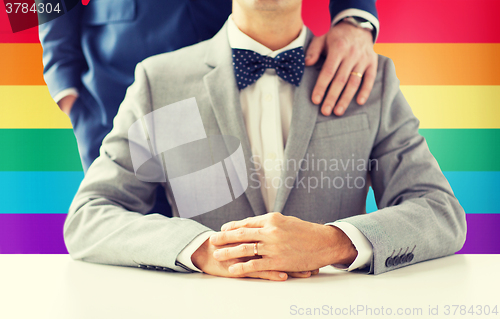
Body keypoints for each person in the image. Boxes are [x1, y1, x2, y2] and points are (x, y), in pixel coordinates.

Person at [65, 0, 466, 281]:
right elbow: (91, 218)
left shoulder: (368, 80)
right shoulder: (159, 81)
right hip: (111, 82)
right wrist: (59, 74)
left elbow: (439, 211)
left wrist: (334, 242)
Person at [39, 0, 379, 171]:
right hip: (115, 75)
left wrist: (356, 15)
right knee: (124, 237)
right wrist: (61, 77)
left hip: (244, 59)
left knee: (241, 246)